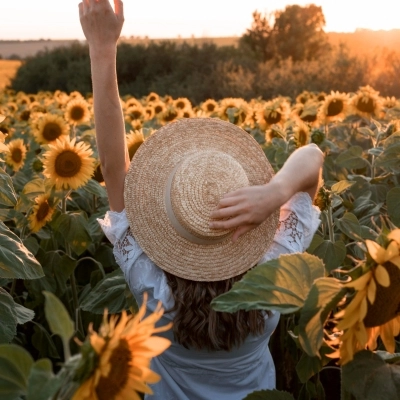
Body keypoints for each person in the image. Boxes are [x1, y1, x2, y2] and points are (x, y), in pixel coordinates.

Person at [78, 1, 324, 399]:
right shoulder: (271, 275)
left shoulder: (152, 289)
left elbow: (112, 167)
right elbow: (312, 157)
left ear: (168, 221)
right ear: (252, 214)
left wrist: (102, 48)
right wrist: (274, 194)